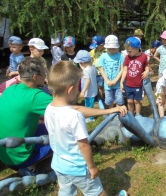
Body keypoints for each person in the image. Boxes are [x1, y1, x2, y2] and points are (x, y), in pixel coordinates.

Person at [0, 57, 127, 177]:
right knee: (64, 138)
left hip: (4, 153)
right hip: (20, 158)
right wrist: (110, 110)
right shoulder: (35, 96)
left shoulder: (9, 90)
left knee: (47, 125)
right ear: (35, 77)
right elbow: (72, 110)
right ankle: (30, 166)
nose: (46, 76)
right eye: (44, 74)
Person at [44, 61, 128, 196]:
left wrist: (111, 110)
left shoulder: (49, 109)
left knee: (66, 192)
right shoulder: (74, 116)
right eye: (78, 86)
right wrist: (92, 166)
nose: (78, 90)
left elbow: (75, 108)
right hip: (78, 168)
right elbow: (83, 145)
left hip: (59, 165)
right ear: (70, 90)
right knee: (96, 192)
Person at [120, 37, 149, 117]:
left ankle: (138, 115)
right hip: (128, 84)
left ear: (137, 49)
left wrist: (146, 71)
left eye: (129, 51)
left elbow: (147, 66)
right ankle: (131, 115)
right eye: (127, 51)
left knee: (137, 101)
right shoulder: (127, 57)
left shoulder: (143, 56)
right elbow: (125, 70)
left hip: (138, 84)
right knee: (129, 101)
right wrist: (121, 82)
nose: (128, 53)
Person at [99, 35, 124, 108]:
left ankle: (118, 113)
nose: (112, 51)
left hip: (117, 84)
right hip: (107, 84)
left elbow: (122, 69)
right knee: (109, 100)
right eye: (109, 49)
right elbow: (102, 69)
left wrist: (116, 80)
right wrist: (106, 80)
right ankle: (111, 113)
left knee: (119, 100)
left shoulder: (120, 56)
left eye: (114, 49)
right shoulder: (103, 56)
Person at [74, 50, 98, 122]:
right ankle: (90, 116)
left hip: (89, 92)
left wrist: (83, 91)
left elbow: (87, 81)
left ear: (82, 63)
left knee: (88, 106)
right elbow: (95, 74)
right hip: (93, 90)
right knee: (89, 104)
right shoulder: (92, 67)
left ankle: (90, 118)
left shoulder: (85, 71)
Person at [89, 35, 106, 101]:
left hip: (101, 73)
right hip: (94, 72)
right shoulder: (93, 51)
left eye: (96, 46)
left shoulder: (106, 52)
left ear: (102, 45)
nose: (95, 48)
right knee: (94, 86)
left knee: (100, 86)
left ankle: (101, 99)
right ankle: (96, 97)